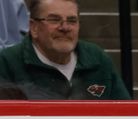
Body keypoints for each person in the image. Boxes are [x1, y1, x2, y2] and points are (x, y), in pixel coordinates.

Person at [0, 0, 130, 99]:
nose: (65, 27)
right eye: (54, 20)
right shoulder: (7, 62)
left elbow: (127, 114)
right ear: (33, 28)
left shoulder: (98, 59)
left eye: (72, 20)